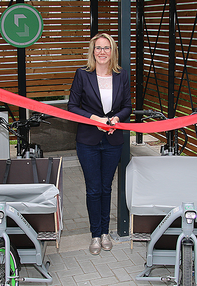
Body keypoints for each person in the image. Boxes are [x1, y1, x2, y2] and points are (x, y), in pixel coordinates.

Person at [68, 33, 132, 255]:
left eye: (106, 48)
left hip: (113, 140)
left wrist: (116, 119)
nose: (102, 52)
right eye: (98, 48)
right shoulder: (82, 75)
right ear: (92, 51)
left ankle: (106, 232)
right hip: (88, 140)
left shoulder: (121, 75)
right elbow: (72, 107)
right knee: (93, 189)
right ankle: (95, 234)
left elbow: (127, 106)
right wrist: (94, 119)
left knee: (106, 188)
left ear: (113, 51)